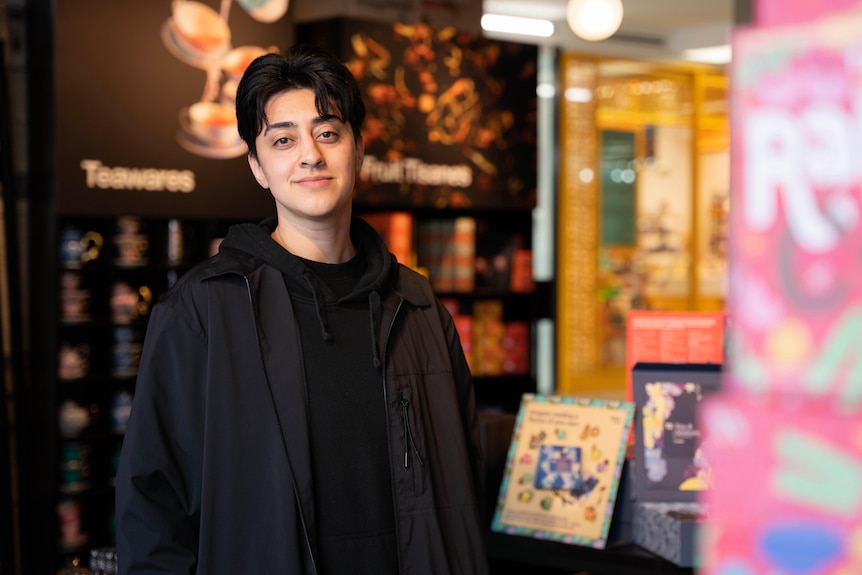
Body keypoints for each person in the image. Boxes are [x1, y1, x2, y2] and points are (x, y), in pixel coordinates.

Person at [115, 44, 490, 575]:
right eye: (284, 139)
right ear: (258, 167)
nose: (310, 154)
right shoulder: (203, 310)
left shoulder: (419, 307)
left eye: (328, 132)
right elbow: (153, 506)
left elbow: (465, 480)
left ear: (358, 150)